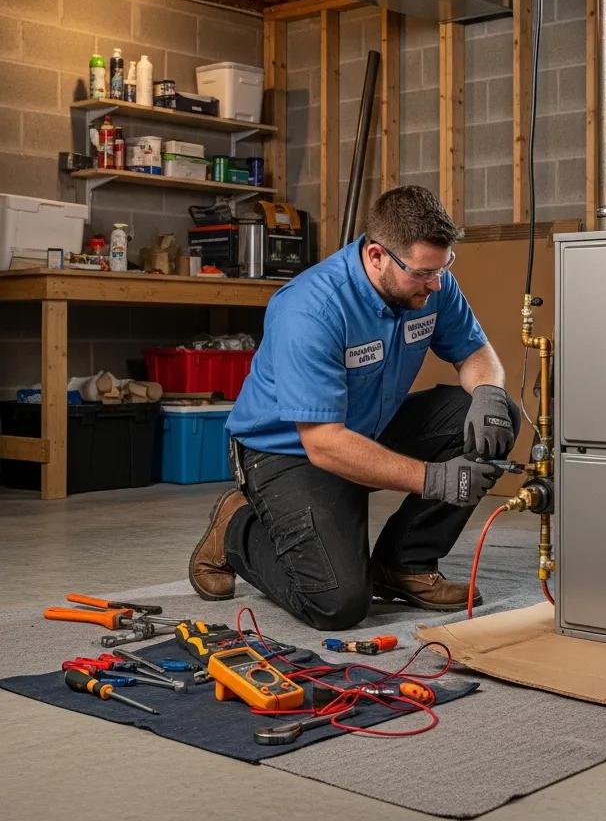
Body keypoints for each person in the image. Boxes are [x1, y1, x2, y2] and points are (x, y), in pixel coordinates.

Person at [187, 185, 519, 630]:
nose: (436, 283)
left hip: (368, 426)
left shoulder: (430, 284)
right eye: (422, 273)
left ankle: (405, 564)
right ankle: (236, 529)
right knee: (337, 603)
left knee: (494, 416)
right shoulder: (310, 310)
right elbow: (325, 445)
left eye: (443, 268)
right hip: (290, 452)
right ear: (377, 255)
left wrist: (490, 393)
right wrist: (435, 479)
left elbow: (475, 354)